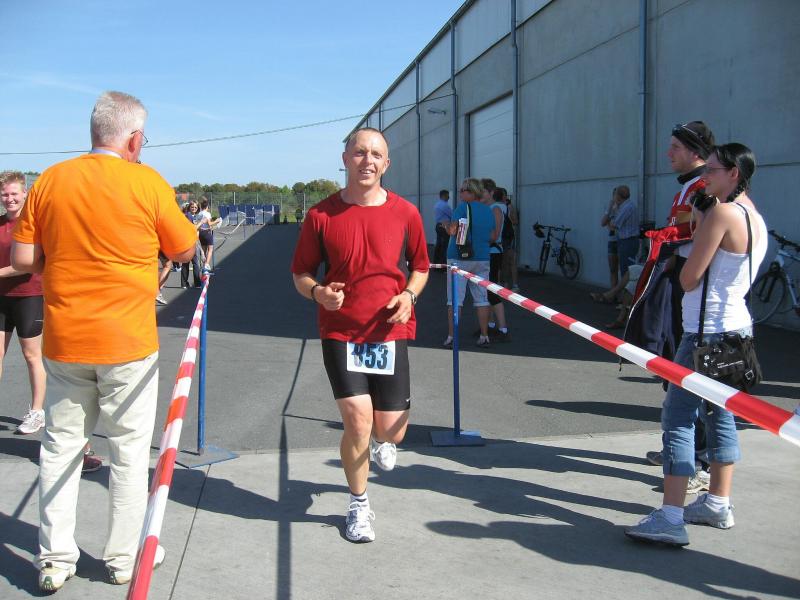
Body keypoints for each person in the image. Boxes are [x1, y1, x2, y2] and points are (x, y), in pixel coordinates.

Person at [12, 91, 197, 591]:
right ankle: (121, 557)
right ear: (134, 139)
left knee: (60, 450)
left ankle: (54, 557)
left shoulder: (51, 180)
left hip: (65, 340)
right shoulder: (147, 182)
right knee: (129, 453)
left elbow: (24, 258)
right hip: (128, 343)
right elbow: (184, 248)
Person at [625, 142, 768, 546]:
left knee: (678, 417)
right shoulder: (753, 216)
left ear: (734, 174)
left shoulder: (722, 213)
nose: (705, 177)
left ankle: (671, 516)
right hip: (737, 329)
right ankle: (718, 502)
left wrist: (702, 222)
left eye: (713, 170)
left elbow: (689, 279)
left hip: (706, 333)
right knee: (720, 414)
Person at [291, 127, 429, 543]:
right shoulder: (321, 215)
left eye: (376, 154)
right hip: (341, 332)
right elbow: (301, 273)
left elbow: (421, 267)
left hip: (389, 331)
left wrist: (409, 295)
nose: (367, 160)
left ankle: (382, 441)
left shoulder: (406, 213)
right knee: (357, 422)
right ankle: (358, 504)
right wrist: (318, 293)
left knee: (391, 430)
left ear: (386, 164)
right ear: (345, 159)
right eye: (359, 152)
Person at [626, 121, 715, 487]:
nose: (669, 153)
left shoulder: (704, 187)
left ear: (695, 152)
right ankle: (681, 449)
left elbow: (700, 233)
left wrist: (669, 238)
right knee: (671, 365)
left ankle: (699, 460)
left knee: (693, 375)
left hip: (693, 289)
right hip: (677, 284)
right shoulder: (688, 187)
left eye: (675, 147)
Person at [0, 171, 45, 435]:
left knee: (31, 355)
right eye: (5, 194)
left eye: (14, 193)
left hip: (29, 296)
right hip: (1, 298)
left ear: (25, 193)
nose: (10, 199)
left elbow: (27, 264)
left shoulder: (32, 224)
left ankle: (37, 412)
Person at [442, 178, 496, 349]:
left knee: (455, 300)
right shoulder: (488, 210)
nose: (460, 193)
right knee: (482, 299)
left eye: (463, 190)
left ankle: (452, 337)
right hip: (482, 258)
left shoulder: (461, 208)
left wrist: (445, 225)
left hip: (459, 258)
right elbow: (493, 236)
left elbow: (453, 231)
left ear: (471, 192)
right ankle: (484, 335)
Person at [485, 187, 510, 341]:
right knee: (485, 291)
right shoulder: (492, 208)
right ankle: (490, 324)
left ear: (491, 193)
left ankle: (503, 328)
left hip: (493, 253)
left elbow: (494, 235)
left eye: (482, 191)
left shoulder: (496, 209)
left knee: (492, 290)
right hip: (489, 253)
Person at [607, 185, 637, 279]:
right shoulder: (627, 206)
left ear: (618, 196)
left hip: (628, 241)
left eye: (615, 194)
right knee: (625, 268)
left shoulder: (626, 207)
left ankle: (627, 288)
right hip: (626, 241)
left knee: (626, 270)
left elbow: (614, 224)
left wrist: (612, 212)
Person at [600, 187, 621, 289]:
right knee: (613, 269)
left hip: (622, 241)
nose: (616, 198)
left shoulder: (625, 208)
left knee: (624, 269)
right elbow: (603, 223)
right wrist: (609, 209)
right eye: (615, 195)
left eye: (618, 195)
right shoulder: (610, 208)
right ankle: (613, 292)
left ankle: (623, 293)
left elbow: (617, 224)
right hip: (612, 240)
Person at [180, 203, 202, 288]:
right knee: (192, 262)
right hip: (189, 242)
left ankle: (186, 283)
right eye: (192, 207)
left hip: (192, 241)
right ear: (189, 207)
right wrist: (201, 222)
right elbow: (193, 228)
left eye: (196, 207)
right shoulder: (188, 215)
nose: (194, 208)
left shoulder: (194, 216)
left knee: (191, 263)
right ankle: (195, 283)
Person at [500, 191, 519, 292]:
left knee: (509, 260)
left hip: (508, 237)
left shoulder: (509, 207)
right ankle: (506, 284)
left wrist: (508, 218)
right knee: (504, 261)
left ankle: (513, 285)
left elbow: (515, 221)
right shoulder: (500, 206)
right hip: (503, 237)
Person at [195, 198, 219, 273]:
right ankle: (206, 265)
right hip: (206, 233)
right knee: (210, 249)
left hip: (201, 233)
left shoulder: (199, 214)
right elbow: (210, 224)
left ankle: (203, 267)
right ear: (207, 207)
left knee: (203, 250)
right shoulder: (207, 213)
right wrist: (217, 221)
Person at [433, 189, 452, 265]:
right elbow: (452, 215)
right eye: (447, 196)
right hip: (444, 226)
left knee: (439, 245)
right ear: (444, 196)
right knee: (445, 246)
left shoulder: (437, 205)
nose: (448, 197)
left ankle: (436, 262)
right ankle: (442, 264)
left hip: (438, 225)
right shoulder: (445, 205)